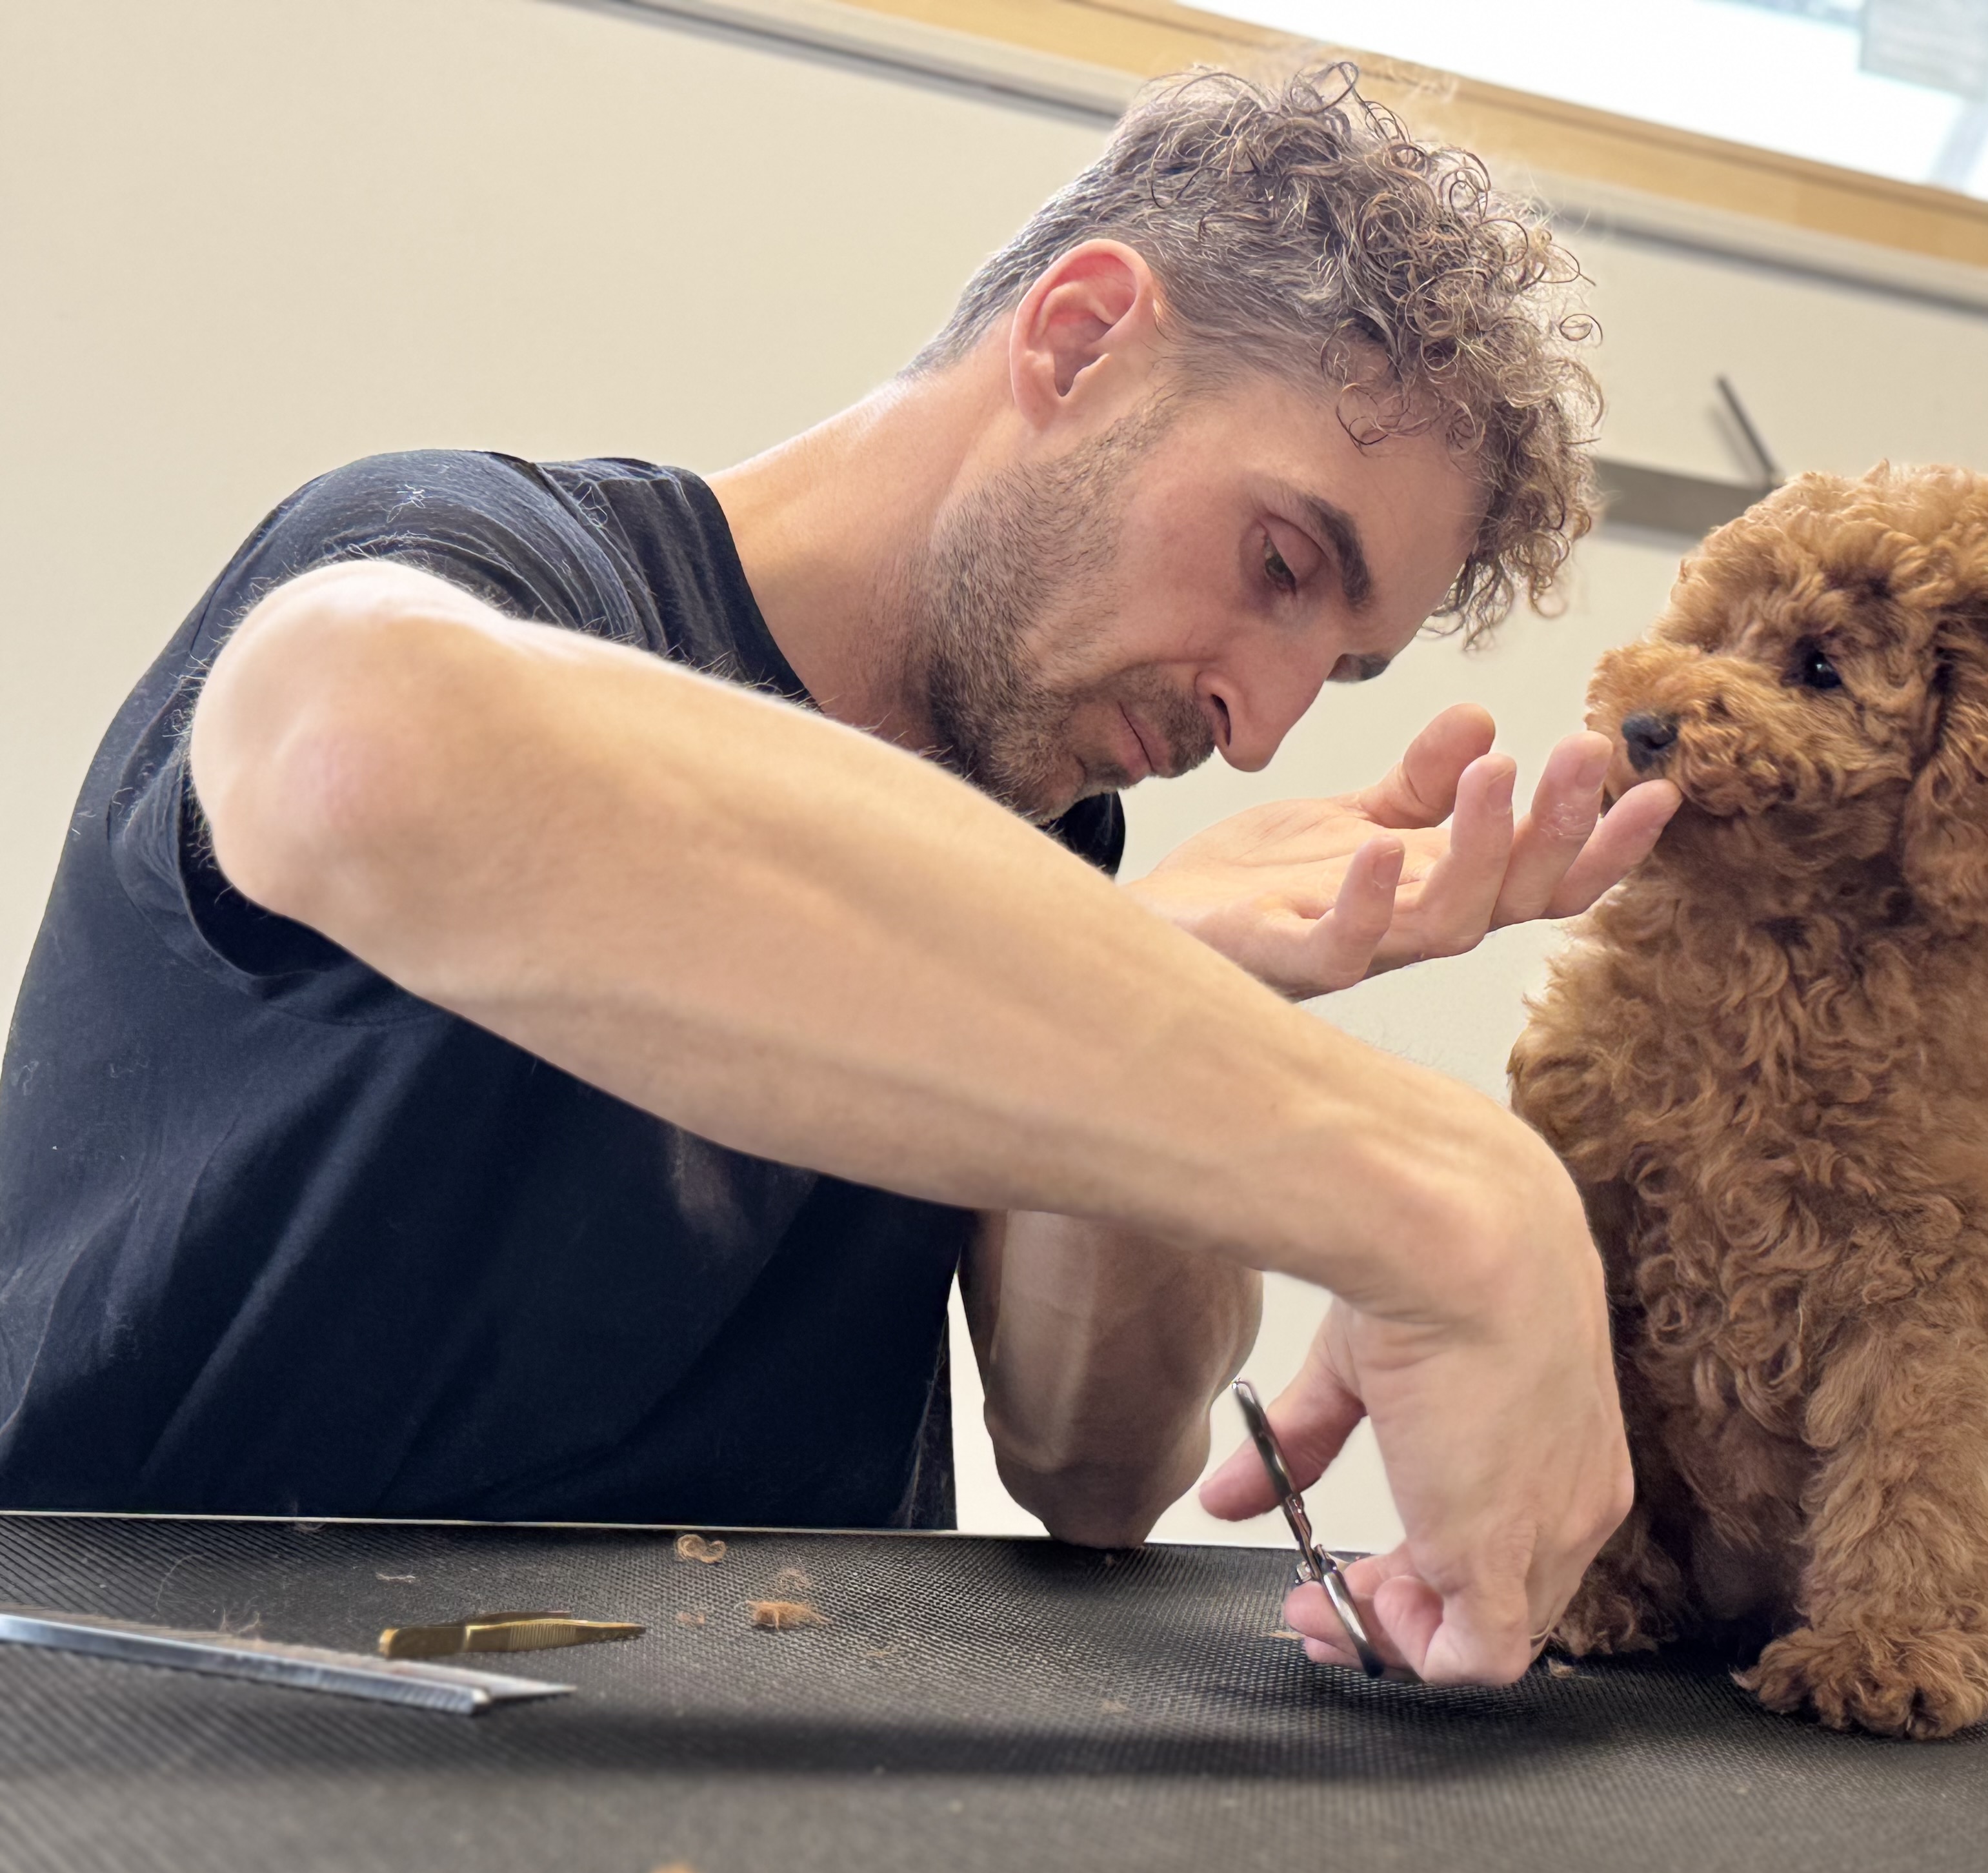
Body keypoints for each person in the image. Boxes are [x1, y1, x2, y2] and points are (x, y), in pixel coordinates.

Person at [0, 68, 1678, 1686]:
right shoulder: (489, 568)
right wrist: (1438, 1196)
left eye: (1339, 661)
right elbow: (357, 740)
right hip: (175, 1736)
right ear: (1082, 339)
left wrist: (1176, 973)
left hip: (769, 1772)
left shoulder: (1045, 838)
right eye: (1278, 563)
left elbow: (1100, 1472)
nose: (1261, 723)